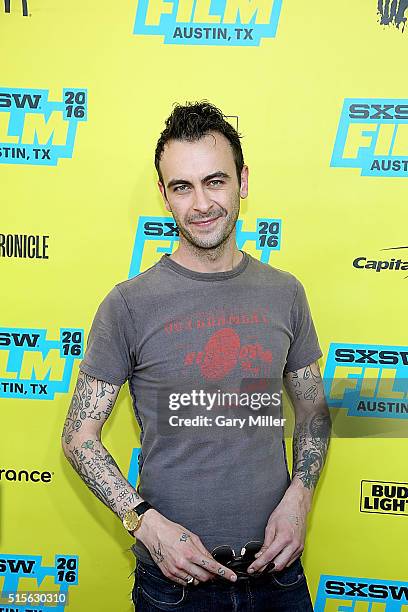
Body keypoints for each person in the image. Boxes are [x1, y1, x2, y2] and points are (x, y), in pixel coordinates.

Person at [61, 100, 331, 611]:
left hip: (277, 577)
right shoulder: (128, 304)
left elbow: (313, 413)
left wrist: (301, 496)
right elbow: (79, 436)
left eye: (215, 181)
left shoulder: (285, 293)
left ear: (242, 181)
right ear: (163, 195)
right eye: (182, 187)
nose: (201, 203)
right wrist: (145, 522)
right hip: (174, 587)